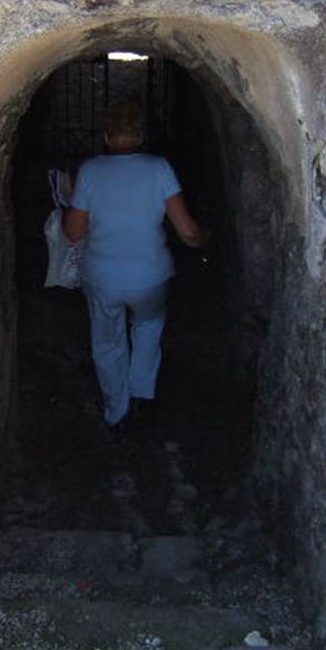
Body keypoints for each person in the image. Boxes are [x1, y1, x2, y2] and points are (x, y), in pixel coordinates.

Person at [63, 101, 209, 431]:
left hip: (102, 277)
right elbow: (187, 232)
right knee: (147, 328)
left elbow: (74, 233)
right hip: (151, 276)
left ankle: (117, 410)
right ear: (141, 135)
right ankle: (142, 396)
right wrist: (203, 239)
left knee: (107, 340)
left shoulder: (90, 171)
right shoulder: (159, 169)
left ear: (106, 135)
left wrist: (67, 205)